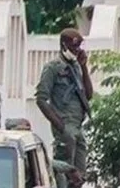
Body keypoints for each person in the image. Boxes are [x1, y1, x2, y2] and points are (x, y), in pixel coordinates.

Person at [35, 28, 94, 173]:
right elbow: (41, 99)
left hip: (77, 125)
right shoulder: (53, 67)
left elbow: (88, 95)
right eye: (74, 47)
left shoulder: (76, 66)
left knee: (80, 172)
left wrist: (84, 67)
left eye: (79, 47)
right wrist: (60, 126)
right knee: (64, 171)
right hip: (65, 124)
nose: (77, 50)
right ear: (64, 45)